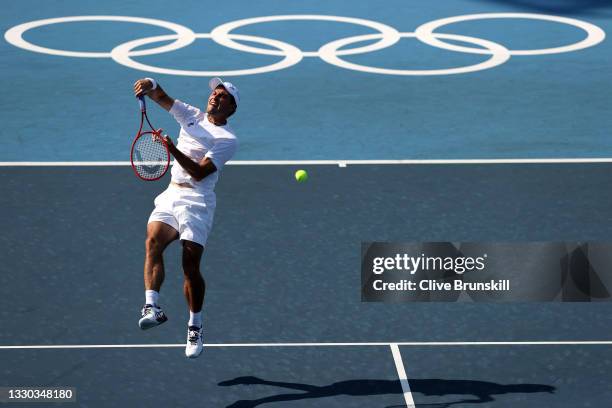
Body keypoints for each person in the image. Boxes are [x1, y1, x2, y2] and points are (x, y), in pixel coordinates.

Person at [133, 77, 239, 358]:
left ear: (231, 108)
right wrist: (149, 83)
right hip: (171, 194)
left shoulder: (228, 140)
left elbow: (200, 172)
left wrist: (172, 150)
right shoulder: (190, 114)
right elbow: (161, 97)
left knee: (190, 265)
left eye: (223, 96)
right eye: (215, 93)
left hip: (198, 201)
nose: (215, 97)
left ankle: (195, 325)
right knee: (153, 242)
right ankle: (152, 306)